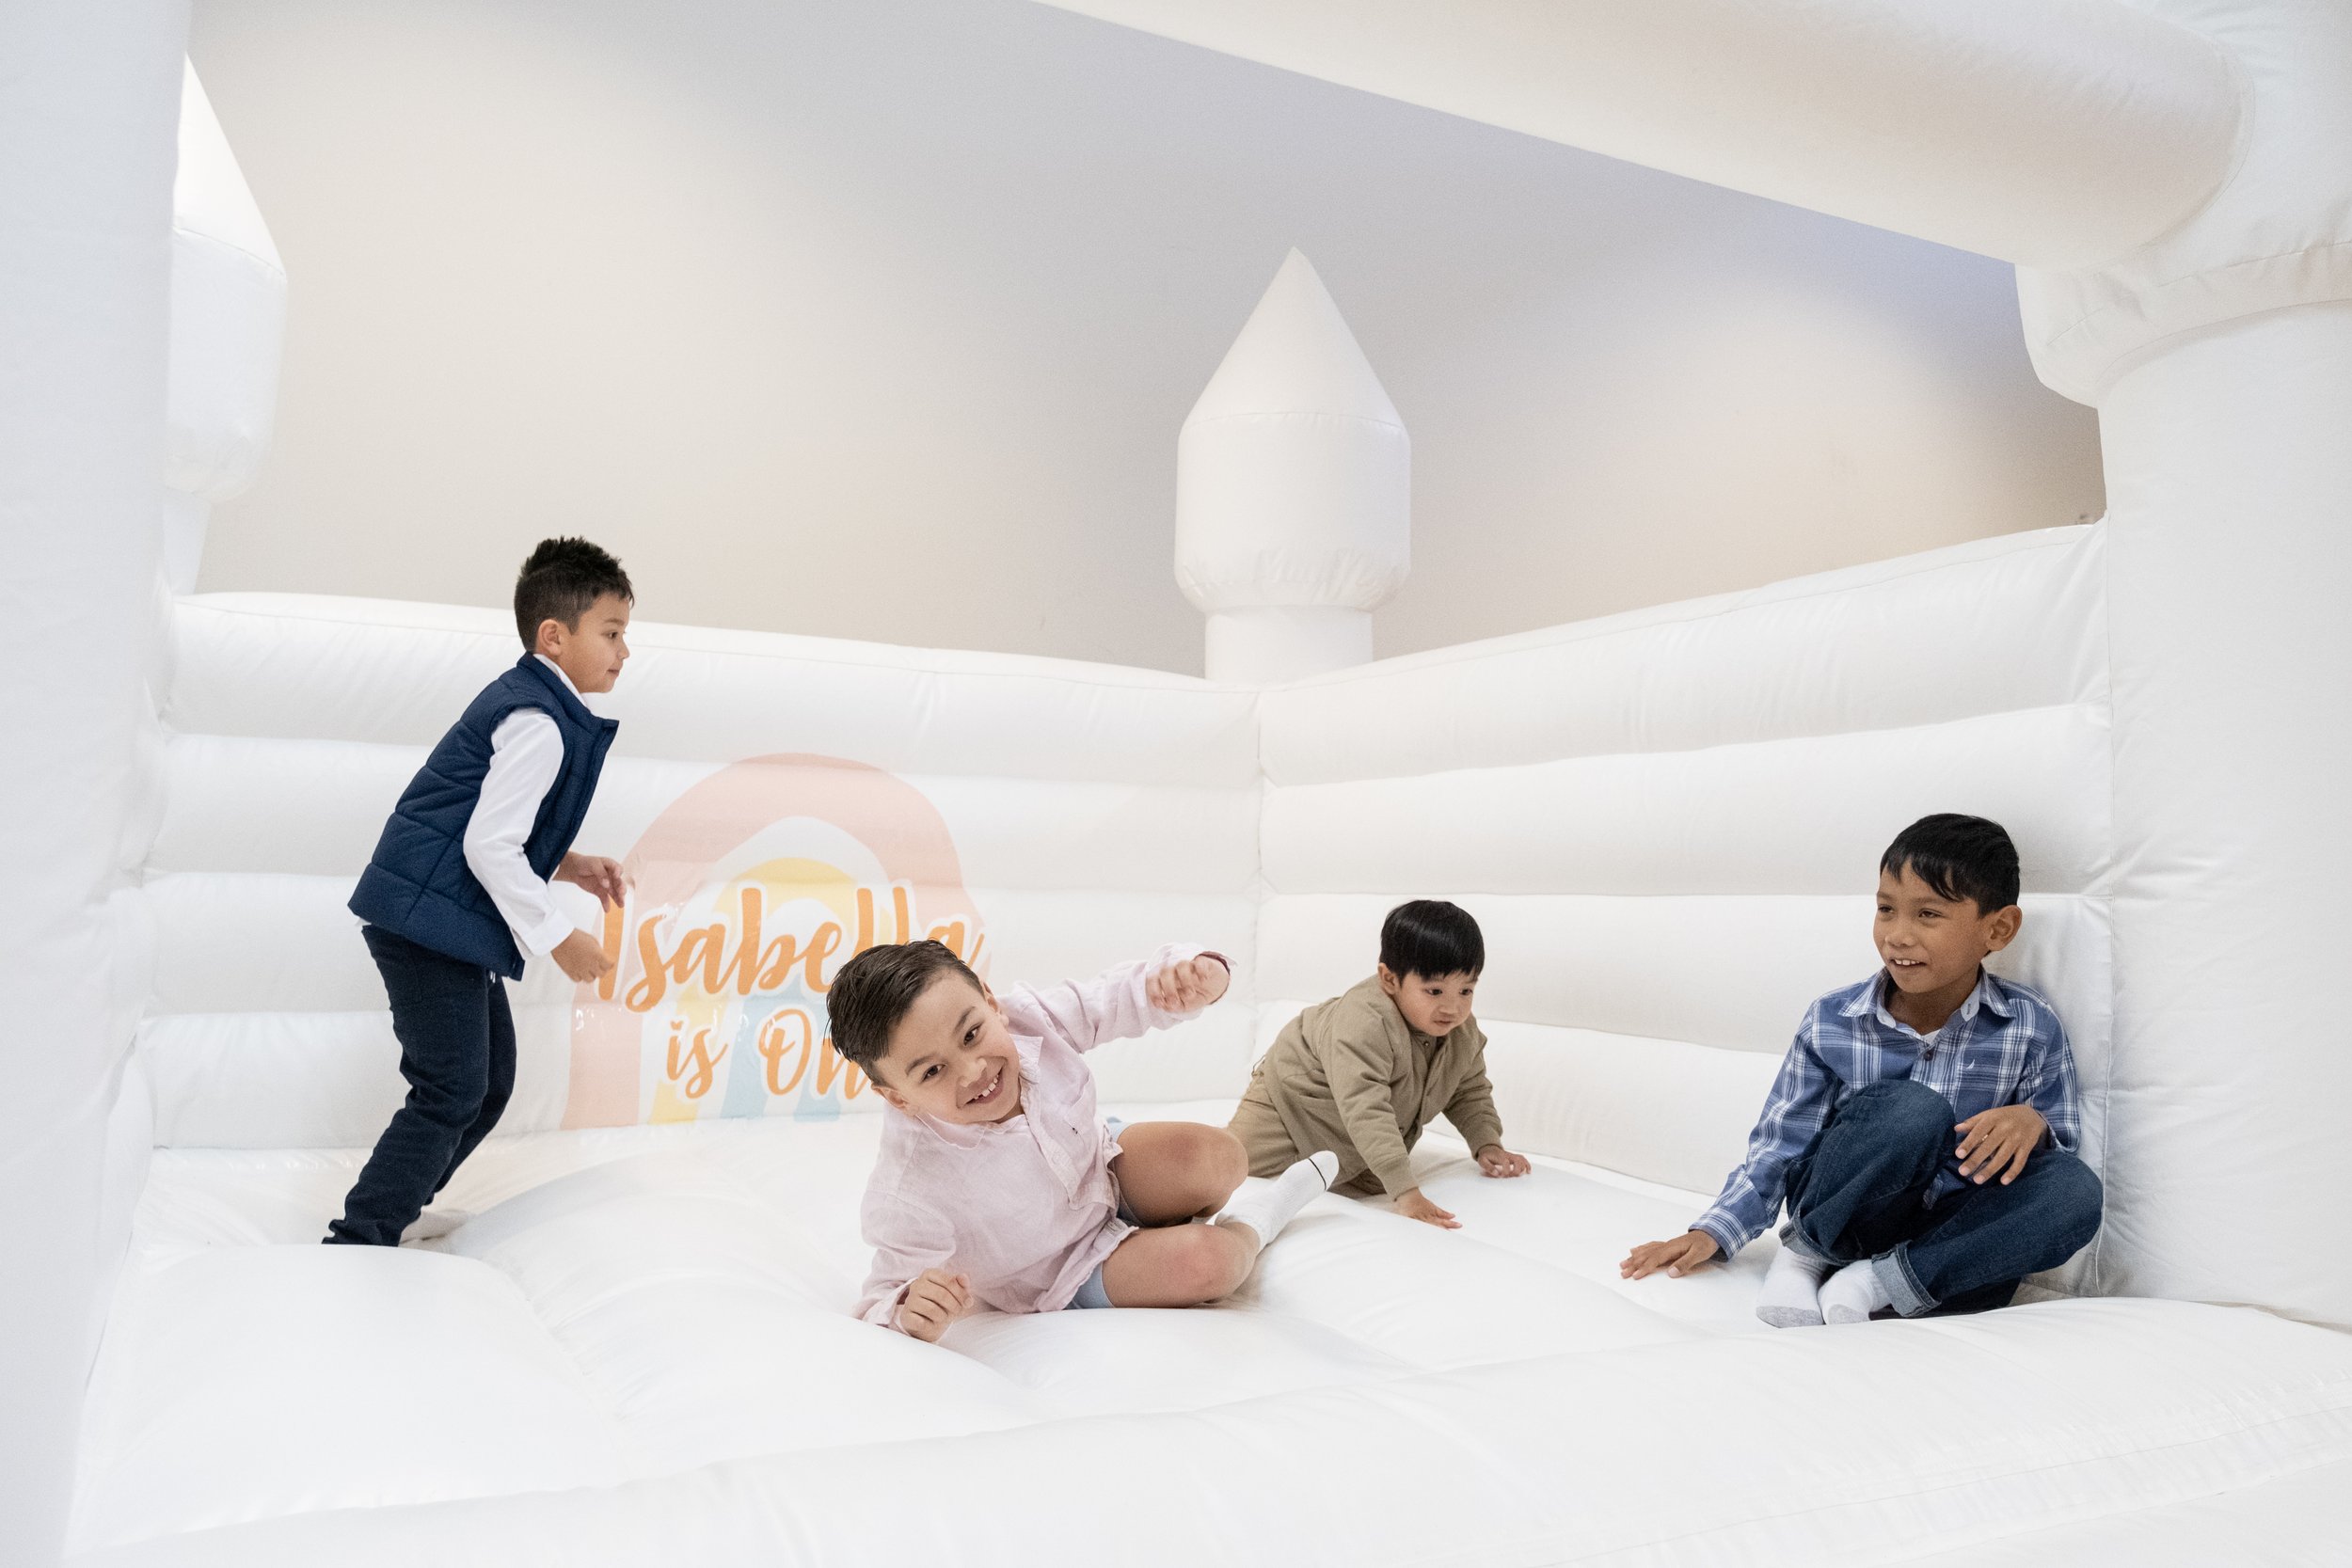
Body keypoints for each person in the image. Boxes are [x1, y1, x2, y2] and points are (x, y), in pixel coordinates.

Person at [1620, 814, 2103, 1324]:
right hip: (1847, 1220)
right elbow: (1782, 1142)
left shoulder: (2030, 1023)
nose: (1898, 936)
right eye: (1885, 910)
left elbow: (2060, 1148)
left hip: (1946, 1240)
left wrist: (2034, 1123)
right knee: (1912, 1109)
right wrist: (1716, 1231)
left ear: (1998, 929)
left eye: (1928, 915)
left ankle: (1876, 1283)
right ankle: (1805, 1257)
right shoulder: (1833, 1019)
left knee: (2075, 1192)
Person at [324, 538, 633, 1246]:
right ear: (554, 636)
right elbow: (487, 845)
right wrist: (560, 936)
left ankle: (395, 1205)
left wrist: (570, 862)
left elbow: (488, 825)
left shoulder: (536, 705)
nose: (624, 651)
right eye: (611, 633)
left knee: (488, 1085)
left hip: (438, 916)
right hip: (425, 922)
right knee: (452, 1088)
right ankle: (360, 1236)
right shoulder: (540, 722)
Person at [832, 939, 1337, 1339]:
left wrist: (1191, 974)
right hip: (1062, 1270)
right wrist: (907, 1310)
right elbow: (881, 1294)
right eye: (934, 1071)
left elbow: (1116, 997)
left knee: (1220, 1156)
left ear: (991, 1002)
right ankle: (1259, 1220)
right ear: (897, 1097)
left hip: (1102, 1168)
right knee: (1210, 1261)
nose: (974, 1071)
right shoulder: (909, 1187)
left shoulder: (1031, 1018)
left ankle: (1162, 1215)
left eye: (971, 1035)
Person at [1228, 899, 1530, 1230]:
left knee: (1354, 1172)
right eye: (1434, 990)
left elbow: (1468, 1091)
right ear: (1389, 979)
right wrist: (1405, 1190)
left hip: (1350, 1143)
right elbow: (1366, 1106)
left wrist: (1486, 1142)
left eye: (1466, 990)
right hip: (1289, 1108)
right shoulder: (1364, 1023)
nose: (1452, 1007)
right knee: (1224, 1165)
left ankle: (1345, 1168)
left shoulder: (1461, 1033)